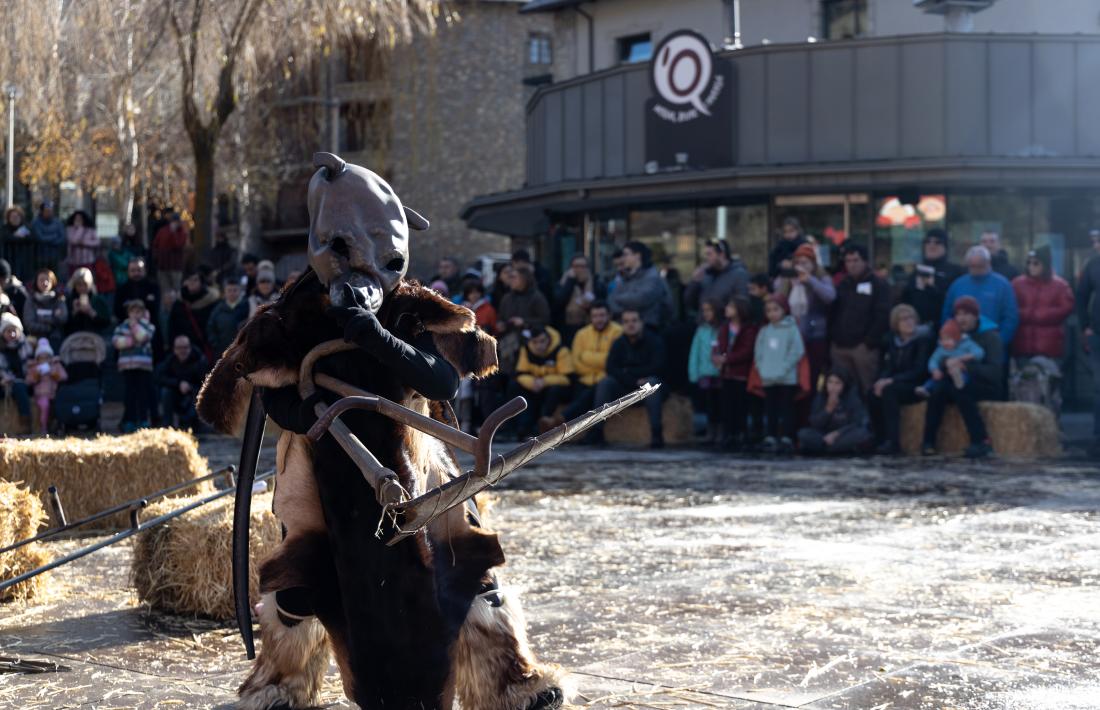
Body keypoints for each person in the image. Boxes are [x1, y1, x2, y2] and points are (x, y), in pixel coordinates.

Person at [921, 296, 1005, 459]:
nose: (961, 318)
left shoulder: (990, 337)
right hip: (955, 380)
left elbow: (995, 373)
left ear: (975, 316)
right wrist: (944, 365)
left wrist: (966, 366)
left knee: (960, 390)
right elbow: (941, 358)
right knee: (938, 390)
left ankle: (981, 440)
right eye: (958, 314)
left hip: (986, 385)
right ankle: (928, 441)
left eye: (966, 314)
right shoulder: (953, 335)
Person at [587, 308, 665, 448]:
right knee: (605, 383)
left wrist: (628, 371)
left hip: (647, 388)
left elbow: (658, 367)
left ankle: (656, 435)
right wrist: (634, 379)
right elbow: (611, 368)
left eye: (634, 321)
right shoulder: (618, 343)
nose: (631, 325)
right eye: (626, 321)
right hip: (626, 387)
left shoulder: (654, 341)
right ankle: (597, 432)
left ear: (642, 323)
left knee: (652, 382)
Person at [869, 304, 934, 455]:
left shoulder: (923, 340)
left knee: (890, 392)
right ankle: (880, 438)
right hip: (898, 381)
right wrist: (882, 380)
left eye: (911, 318)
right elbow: (888, 366)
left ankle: (894, 442)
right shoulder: (893, 342)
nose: (908, 322)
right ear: (896, 324)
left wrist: (891, 381)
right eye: (903, 319)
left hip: (917, 385)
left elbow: (919, 370)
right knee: (872, 394)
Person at [773, 242, 835, 396]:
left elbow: (830, 297)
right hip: (791, 336)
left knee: (812, 378)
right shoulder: (790, 279)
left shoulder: (821, 277)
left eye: (805, 263)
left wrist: (810, 281)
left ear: (813, 264)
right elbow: (777, 300)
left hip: (814, 336)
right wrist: (784, 278)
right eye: (798, 263)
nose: (801, 266)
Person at [829, 244, 891, 395]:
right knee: (844, 391)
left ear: (865, 261)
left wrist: (869, 342)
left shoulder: (878, 284)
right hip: (840, 347)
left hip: (863, 348)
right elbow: (833, 312)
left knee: (867, 389)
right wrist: (833, 339)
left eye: (856, 260)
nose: (852, 264)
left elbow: (883, 315)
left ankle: (871, 419)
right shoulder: (842, 284)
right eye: (848, 261)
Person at [554, 301, 622, 427]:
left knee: (591, 394)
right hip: (584, 380)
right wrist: (600, 361)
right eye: (595, 316)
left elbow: (612, 361)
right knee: (574, 391)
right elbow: (575, 363)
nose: (599, 319)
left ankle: (562, 420)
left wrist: (586, 356)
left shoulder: (618, 332)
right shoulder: (581, 334)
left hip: (606, 379)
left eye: (602, 315)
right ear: (590, 317)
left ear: (609, 316)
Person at [754, 294, 804, 454]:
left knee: (787, 407)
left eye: (776, 309)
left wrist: (784, 367)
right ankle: (770, 436)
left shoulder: (791, 328)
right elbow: (758, 352)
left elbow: (797, 350)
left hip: (787, 377)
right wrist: (761, 368)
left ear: (784, 310)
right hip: (768, 376)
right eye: (768, 310)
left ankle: (787, 437)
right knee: (770, 408)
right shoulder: (765, 331)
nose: (772, 313)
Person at [942, 245, 1019, 347]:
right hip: (962, 345)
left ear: (988, 263)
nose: (976, 269)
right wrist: (952, 339)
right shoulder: (957, 285)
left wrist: (999, 342)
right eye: (972, 266)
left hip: (992, 343)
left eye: (980, 266)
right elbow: (947, 315)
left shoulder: (1002, 285)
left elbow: (1011, 318)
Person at [1011, 246, 1074, 364]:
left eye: (1036, 263)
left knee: (1048, 381)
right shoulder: (1017, 284)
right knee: (1023, 380)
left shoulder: (1060, 285)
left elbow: (1066, 308)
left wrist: (1041, 314)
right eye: (1029, 263)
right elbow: (1009, 307)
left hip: (1049, 348)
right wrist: (1027, 313)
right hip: (1022, 346)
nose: (1031, 267)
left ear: (1045, 264)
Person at [507, 326, 573, 439]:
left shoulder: (561, 350)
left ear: (549, 339)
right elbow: (520, 374)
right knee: (515, 386)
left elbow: (568, 378)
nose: (539, 345)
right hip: (534, 387)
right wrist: (532, 383)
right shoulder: (526, 350)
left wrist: (544, 381)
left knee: (555, 390)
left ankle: (543, 425)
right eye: (535, 342)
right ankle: (522, 428)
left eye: (542, 341)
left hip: (552, 389)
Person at [714, 296, 759, 450]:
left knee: (741, 406)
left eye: (731, 306)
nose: (727, 309)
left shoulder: (749, 329)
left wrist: (727, 359)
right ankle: (729, 434)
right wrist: (718, 357)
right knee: (727, 406)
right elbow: (720, 345)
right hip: (726, 374)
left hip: (741, 374)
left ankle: (741, 433)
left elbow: (746, 351)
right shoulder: (725, 328)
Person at [797, 369, 872, 455]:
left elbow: (857, 422)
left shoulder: (852, 398)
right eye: (830, 382)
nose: (833, 387)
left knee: (863, 433)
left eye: (837, 383)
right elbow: (814, 423)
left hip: (843, 434)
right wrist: (828, 410)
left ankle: (826, 448)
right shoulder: (821, 397)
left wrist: (837, 433)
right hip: (823, 435)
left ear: (844, 385)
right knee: (803, 433)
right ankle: (832, 448)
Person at [900, 228, 964, 327]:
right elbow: (906, 299)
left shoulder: (955, 271)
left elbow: (956, 302)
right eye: (928, 241)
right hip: (916, 328)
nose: (931, 245)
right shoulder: (916, 271)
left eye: (937, 242)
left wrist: (932, 289)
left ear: (945, 246)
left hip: (944, 328)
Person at [607, 241, 670, 331]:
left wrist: (619, 300)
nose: (623, 258)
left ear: (637, 255)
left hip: (649, 330)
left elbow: (641, 299)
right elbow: (610, 301)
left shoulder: (653, 277)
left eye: (626, 255)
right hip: (625, 331)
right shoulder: (626, 277)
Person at [113, 300, 156, 432]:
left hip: (143, 366)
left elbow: (143, 337)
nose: (135, 314)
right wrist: (132, 341)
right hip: (127, 366)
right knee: (129, 395)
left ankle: (143, 420)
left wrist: (134, 326)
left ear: (143, 313)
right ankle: (129, 421)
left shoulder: (148, 326)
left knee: (142, 394)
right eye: (133, 311)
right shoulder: (121, 327)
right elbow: (116, 342)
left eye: (138, 311)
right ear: (128, 313)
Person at [916, 318, 985, 398]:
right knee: (934, 379)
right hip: (945, 373)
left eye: (948, 339)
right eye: (943, 339)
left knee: (965, 375)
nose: (945, 342)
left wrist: (967, 357)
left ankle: (960, 382)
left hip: (960, 368)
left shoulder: (967, 344)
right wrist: (934, 370)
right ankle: (926, 388)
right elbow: (933, 360)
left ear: (957, 339)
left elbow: (980, 352)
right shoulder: (941, 349)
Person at [683, 240, 748, 320]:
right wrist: (694, 282)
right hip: (703, 326)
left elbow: (741, 305)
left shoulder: (739, 274)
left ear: (722, 255)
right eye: (706, 254)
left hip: (723, 326)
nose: (706, 258)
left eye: (709, 254)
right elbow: (689, 302)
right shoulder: (705, 275)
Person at [1078, 229, 1100, 457]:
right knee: (1099, 387)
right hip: (1098, 335)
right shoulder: (1093, 265)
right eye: (1095, 241)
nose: (1096, 246)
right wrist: (1085, 325)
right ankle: (1098, 438)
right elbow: (1081, 295)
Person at [113, 257, 163, 358]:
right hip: (126, 336)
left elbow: (155, 308)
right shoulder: (122, 289)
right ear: (128, 272)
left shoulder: (153, 287)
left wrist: (131, 306)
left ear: (144, 270)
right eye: (133, 270)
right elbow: (117, 310)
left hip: (150, 335)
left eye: (139, 270)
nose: (136, 273)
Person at [687, 300, 722, 443]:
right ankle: (711, 431)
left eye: (710, 310)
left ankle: (721, 431)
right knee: (709, 403)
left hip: (720, 373)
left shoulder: (723, 330)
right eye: (704, 310)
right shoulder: (702, 330)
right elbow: (694, 352)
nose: (706, 313)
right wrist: (694, 372)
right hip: (705, 372)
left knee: (720, 403)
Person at [156, 335, 208, 430]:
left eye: (185, 347)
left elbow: (205, 383)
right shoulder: (170, 360)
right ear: (174, 349)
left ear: (190, 347)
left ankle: (196, 424)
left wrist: (190, 386)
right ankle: (167, 424)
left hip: (194, 394)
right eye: (179, 348)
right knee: (166, 392)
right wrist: (178, 383)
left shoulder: (200, 360)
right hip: (176, 392)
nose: (182, 351)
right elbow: (160, 378)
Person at [168, 269, 219, 362]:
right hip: (182, 349)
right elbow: (172, 326)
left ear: (201, 282)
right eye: (189, 280)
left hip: (205, 348)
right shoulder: (179, 303)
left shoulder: (212, 302)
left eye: (195, 280)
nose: (191, 283)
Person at [553, 254, 606, 343]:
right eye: (576, 266)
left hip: (589, 327)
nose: (579, 269)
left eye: (583, 266)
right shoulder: (563, 283)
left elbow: (601, 303)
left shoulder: (596, 284)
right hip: (567, 329)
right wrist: (570, 282)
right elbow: (559, 302)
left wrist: (588, 305)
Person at [25, 338, 67, 436]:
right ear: (37, 358)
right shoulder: (34, 367)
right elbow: (28, 381)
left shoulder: (55, 365)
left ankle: (59, 427)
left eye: (47, 357)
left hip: (54, 394)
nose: (44, 360)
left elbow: (64, 377)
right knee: (45, 405)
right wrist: (37, 375)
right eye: (42, 358)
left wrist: (54, 374)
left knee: (58, 407)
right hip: (40, 395)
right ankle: (43, 427)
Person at [496, 263, 550, 335]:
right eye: (510, 277)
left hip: (532, 340)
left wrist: (524, 321)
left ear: (524, 278)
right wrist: (501, 324)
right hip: (510, 341)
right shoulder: (506, 298)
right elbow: (501, 318)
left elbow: (545, 320)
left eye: (514, 277)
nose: (511, 280)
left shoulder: (537, 297)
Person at [0, 312, 32, 427]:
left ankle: (25, 422)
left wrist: (30, 375)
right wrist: (3, 379)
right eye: (9, 331)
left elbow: (31, 366)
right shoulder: (1, 349)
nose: (12, 334)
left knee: (20, 387)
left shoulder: (25, 347)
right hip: (5, 382)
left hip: (23, 381)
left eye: (15, 331)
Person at [22, 269, 68, 349]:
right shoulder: (31, 300)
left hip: (56, 339)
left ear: (53, 281)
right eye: (41, 280)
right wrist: (51, 320)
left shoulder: (59, 299)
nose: (45, 283)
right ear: (36, 282)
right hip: (35, 340)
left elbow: (63, 318)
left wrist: (41, 318)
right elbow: (29, 323)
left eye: (48, 280)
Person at [206, 279, 250, 358]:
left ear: (240, 291)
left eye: (235, 290)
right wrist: (216, 345)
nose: (232, 293)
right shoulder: (218, 309)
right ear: (225, 292)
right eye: (229, 290)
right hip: (223, 351)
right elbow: (210, 328)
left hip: (244, 351)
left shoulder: (247, 306)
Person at [152, 212, 190, 296]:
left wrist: (173, 233)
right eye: (173, 222)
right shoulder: (162, 231)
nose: (175, 224)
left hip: (175, 266)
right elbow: (156, 245)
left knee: (176, 290)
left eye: (176, 222)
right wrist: (157, 257)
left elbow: (178, 245)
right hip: (163, 265)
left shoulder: (182, 233)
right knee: (165, 291)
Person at [64, 267, 110, 335]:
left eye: (85, 284)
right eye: (79, 285)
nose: (82, 288)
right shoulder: (69, 300)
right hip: (74, 338)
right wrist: (74, 312)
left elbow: (106, 323)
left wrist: (92, 312)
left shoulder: (98, 300)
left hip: (94, 337)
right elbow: (64, 326)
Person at [30, 201, 66, 269]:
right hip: (40, 257)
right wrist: (54, 236)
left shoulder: (58, 223)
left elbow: (62, 238)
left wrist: (48, 239)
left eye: (50, 210)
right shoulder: (36, 223)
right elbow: (40, 238)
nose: (49, 212)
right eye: (46, 210)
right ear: (42, 211)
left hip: (55, 257)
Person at [2, 206, 33, 281]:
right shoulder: (4, 229)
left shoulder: (27, 229)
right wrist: (17, 237)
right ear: (8, 218)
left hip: (23, 265)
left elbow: (31, 239)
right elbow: (6, 238)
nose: (15, 218)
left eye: (17, 216)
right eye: (12, 216)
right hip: (8, 262)